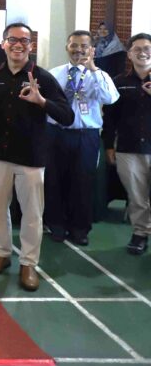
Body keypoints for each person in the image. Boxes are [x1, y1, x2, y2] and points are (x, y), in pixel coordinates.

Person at [0, 23, 74, 291]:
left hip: (30, 156)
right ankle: (2, 253)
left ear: (31, 46)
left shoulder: (42, 78)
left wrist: (42, 101)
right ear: (3, 43)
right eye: (13, 40)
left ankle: (28, 263)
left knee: (32, 213)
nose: (18, 45)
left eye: (24, 40)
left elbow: (67, 116)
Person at [46, 30, 119, 245]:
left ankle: (79, 229)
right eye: (74, 45)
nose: (78, 50)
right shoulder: (54, 74)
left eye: (84, 46)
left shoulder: (100, 75)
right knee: (55, 181)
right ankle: (57, 225)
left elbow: (110, 98)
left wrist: (93, 69)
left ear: (92, 50)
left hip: (85, 135)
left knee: (83, 182)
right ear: (67, 48)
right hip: (57, 134)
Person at [103, 33, 151, 255]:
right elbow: (110, 118)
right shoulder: (119, 82)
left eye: (147, 48)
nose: (142, 53)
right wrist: (109, 146)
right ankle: (140, 233)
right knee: (137, 196)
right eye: (137, 49)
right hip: (128, 149)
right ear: (129, 54)